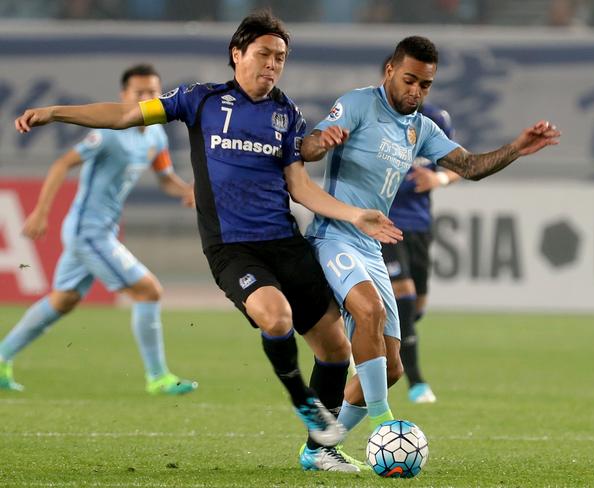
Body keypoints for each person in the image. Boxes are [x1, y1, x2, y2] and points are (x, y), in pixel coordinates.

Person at [14, 11, 402, 472]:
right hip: (232, 246)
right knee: (274, 317)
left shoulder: (287, 114)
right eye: (263, 54)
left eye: (280, 57)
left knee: (336, 348)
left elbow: (300, 187)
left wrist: (354, 214)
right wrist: (56, 112)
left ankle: (320, 451)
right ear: (237, 54)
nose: (272, 64)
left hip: (284, 240)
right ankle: (304, 403)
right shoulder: (200, 100)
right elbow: (124, 114)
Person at [300, 36, 561, 444]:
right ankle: (384, 425)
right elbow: (308, 147)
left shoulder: (421, 128)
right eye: (409, 80)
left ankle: (319, 448)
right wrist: (322, 141)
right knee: (368, 311)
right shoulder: (356, 104)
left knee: (391, 368)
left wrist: (516, 148)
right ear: (390, 71)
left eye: (425, 85)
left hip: (371, 245)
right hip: (334, 235)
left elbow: (471, 166)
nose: (416, 91)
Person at [0, 64, 198, 396]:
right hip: (88, 232)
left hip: (101, 230)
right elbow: (63, 163)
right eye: (140, 93)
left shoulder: (156, 134)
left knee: (63, 300)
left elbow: (165, 179)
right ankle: (157, 377)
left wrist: (188, 191)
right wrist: (40, 212)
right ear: (124, 96)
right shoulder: (108, 133)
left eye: (153, 92)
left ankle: (2, 357)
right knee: (149, 291)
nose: (148, 98)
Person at [382, 101, 461, 404]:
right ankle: (415, 381)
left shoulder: (435, 119)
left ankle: (366, 340)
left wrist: (437, 178)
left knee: (415, 310)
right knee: (404, 293)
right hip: (385, 223)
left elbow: (459, 165)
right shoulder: (375, 117)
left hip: (420, 225)